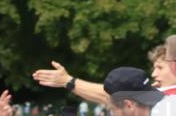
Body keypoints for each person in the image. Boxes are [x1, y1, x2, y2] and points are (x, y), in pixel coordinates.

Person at [33, 42, 176, 102]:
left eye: (160, 67)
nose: (153, 74)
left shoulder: (168, 98)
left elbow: (112, 95)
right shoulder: (164, 94)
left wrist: (68, 81)